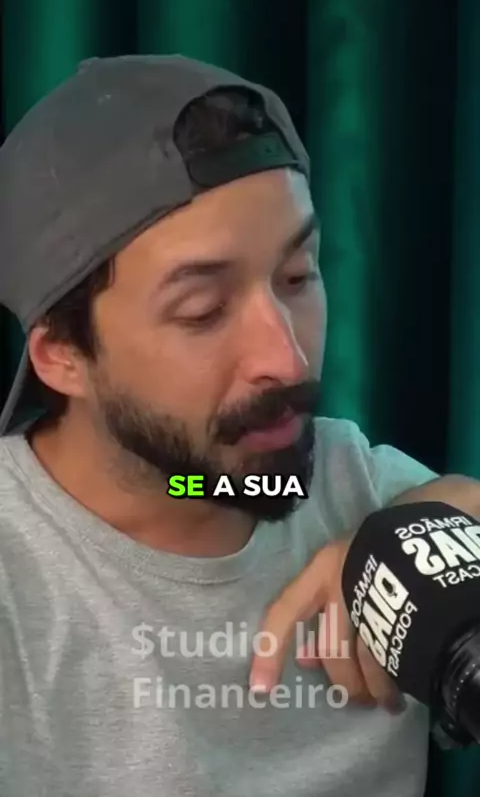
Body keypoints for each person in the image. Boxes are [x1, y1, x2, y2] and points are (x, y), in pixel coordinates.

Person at [0, 54, 476, 796]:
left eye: (298, 277)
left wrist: (434, 521)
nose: (286, 359)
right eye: (203, 312)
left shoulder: (351, 487)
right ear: (62, 355)